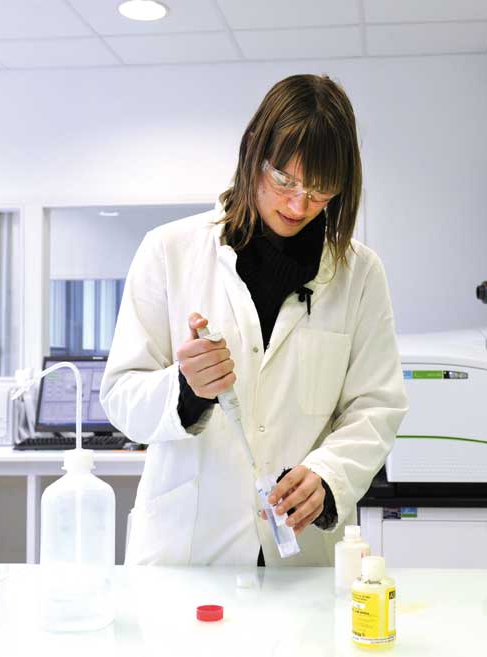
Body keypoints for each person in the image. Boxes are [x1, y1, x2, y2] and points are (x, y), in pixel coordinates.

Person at [100, 74, 407, 566]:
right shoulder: (168, 251)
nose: (299, 205)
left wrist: (329, 476)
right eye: (284, 181)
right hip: (188, 552)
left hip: (300, 556)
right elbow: (120, 396)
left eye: (321, 191)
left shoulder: (360, 274)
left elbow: (376, 406)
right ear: (252, 151)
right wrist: (186, 389)